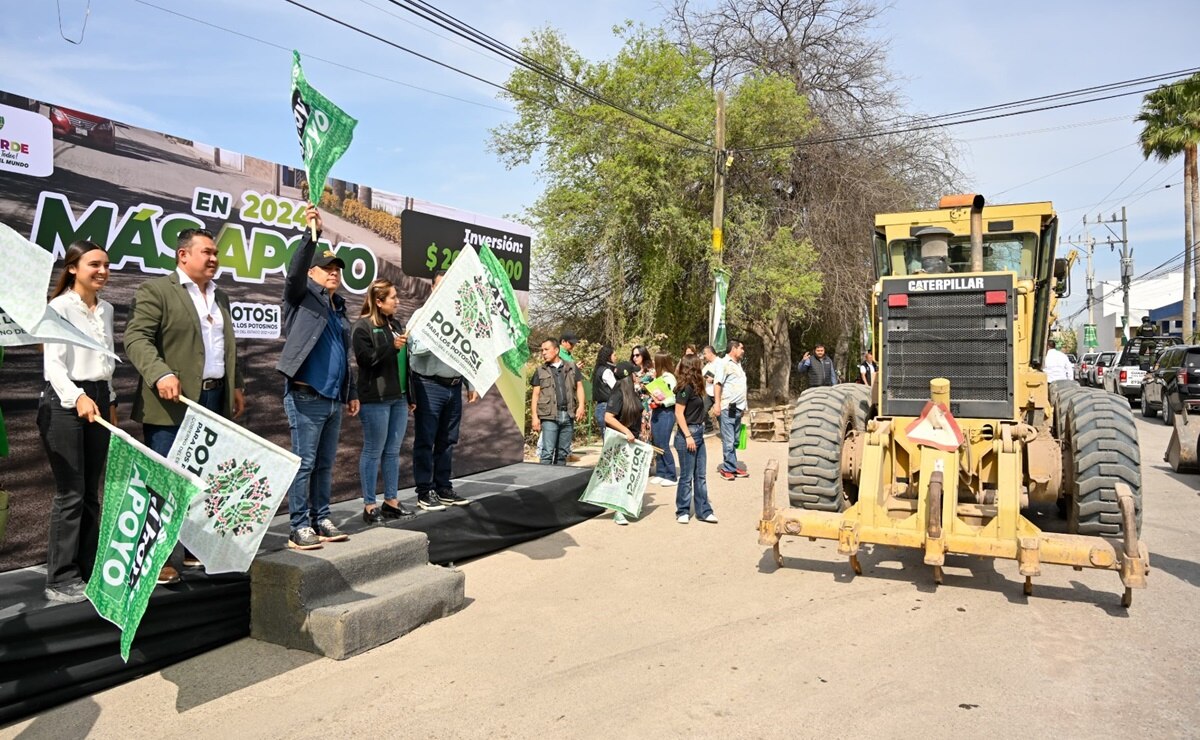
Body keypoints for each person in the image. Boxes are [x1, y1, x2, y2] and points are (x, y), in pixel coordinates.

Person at [125, 227, 245, 583]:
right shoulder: (157, 291)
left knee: (206, 480)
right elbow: (135, 337)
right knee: (165, 482)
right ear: (183, 255)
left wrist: (235, 385)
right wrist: (159, 373)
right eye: (206, 252)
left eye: (215, 253)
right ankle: (156, 557)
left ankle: (195, 550)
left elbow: (226, 346)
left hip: (214, 399)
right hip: (171, 404)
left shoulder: (220, 297)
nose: (213, 258)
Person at [37, 241, 116, 603]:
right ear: (72, 268)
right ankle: (60, 579)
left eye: (106, 265)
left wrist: (108, 400)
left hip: (98, 399)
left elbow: (105, 363)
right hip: (65, 402)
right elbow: (53, 366)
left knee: (91, 495)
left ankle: (87, 567)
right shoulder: (58, 307)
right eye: (94, 265)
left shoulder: (108, 309)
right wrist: (78, 397)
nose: (102, 271)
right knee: (71, 493)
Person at [276, 206, 358, 550]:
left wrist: (350, 392)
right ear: (312, 272)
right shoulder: (301, 296)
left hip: (333, 400)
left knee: (325, 464)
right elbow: (294, 273)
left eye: (337, 269)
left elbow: (343, 354)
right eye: (326, 268)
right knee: (305, 464)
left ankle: (321, 517)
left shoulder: (339, 308)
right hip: (306, 396)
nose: (334, 273)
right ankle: (298, 525)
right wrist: (312, 235)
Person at [409, 270, 478, 511]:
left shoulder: (462, 317)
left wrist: (471, 383)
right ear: (432, 289)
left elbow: (469, 353)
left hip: (454, 386)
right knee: (426, 440)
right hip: (428, 385)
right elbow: (413, 349)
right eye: (440, 286)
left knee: (448, 440)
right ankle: (425, 491)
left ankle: (443, 487)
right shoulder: (422, 316)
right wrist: (438, 336)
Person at [352, 278, 413, 524]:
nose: (397, 302)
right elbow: (366, 360)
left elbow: (405, 364)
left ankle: (391, 501)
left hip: (398, 398)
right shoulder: (362, 327)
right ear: (379, 301)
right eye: (393, 298)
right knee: (373, 450)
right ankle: (369, 505)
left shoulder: (396, 324)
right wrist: (391, 345)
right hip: (375, 399)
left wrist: (410, 395)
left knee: (392, 452)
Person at [673, 355, 716, 524]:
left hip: (698, 432)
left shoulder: (697, 386)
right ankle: (682, 510)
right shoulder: (685, 388)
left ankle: (704, 510)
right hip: (687, 434)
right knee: (686, 476)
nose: (702, 365)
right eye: (699, 363)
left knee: (701, 475)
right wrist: (688, 436)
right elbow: (678, 413)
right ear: (693, 366)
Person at [530, 338, 585, 465]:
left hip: (568, 415)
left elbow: (580, 387)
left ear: (556, 350)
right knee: (547, 453)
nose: (543, 353)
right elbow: (536, 394)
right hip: (549, 416)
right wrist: (534, 417)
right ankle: (544, 482)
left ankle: (559, 482)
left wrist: (581, 406)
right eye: (542, 350)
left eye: (546, 349)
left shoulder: (571, 367)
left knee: (562, 454)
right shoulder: (540, 371)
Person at [602, 361, 644, 526]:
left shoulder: (631, 392)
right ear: (628, 376)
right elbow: (608, 417)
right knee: (621, 475)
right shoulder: (618, 393)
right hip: (621, 439)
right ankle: (618, 511)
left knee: (632, 474)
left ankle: (629, 505)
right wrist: (625, 431)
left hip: (634, 437)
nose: (637, 375)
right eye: (634, 372)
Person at [711, 339, 748, 481]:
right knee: (729, 439)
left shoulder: (738, 365)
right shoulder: (723, 364)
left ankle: (732, 465)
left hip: (738, 408)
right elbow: (717, 384)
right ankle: (727, 468)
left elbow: (740, 386)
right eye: (741, 348)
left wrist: (744, 406)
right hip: (727, 408)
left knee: (736, 439)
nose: (743, 351)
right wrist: (717, 404)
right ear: (733, 348)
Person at [648, 351, 677, 487]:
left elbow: (672, 398)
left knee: (664, 443)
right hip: (657, 412)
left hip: (666, 412)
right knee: (657, 443)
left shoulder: (669, 377)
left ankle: (671, 474)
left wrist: (662, 402)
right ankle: (661, 472)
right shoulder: (658, 377)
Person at [591, 345, 617, 439]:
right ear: (608, 356)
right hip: (607, 407)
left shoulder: (598, 370)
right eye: (614, 355)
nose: (616, 357)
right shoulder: (607, 371)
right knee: (610, 439)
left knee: (606, 438)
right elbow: (616, 387)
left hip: (600, 406)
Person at [701, 344, 721, 434]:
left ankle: (724, 432)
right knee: (703, 410)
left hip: (719, 393)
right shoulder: (707, 365)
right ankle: (709, 426)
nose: (704, 356)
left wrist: (713, 380)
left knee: (720, 414)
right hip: (709, 393)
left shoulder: (720, 363)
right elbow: (702, 373)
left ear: (710, 353)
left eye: (705, 353)